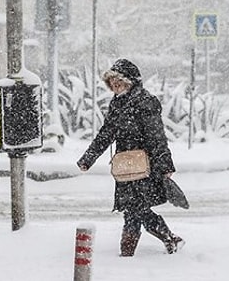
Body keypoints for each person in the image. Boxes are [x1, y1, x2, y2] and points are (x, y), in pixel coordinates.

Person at [76, 58, 184, 257]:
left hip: (145, 164)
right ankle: (167, 239)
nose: (115, 86)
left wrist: (165, 164)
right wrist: (88, 158)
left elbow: (156, 136)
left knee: (135, 208)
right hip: (125, 165)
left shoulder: (145, 101)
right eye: (112, 82)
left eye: (119, 81)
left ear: (130, 81)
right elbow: (106, 133)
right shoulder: (117, 104)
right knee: (133, 208)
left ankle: (129, 252)